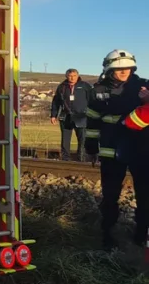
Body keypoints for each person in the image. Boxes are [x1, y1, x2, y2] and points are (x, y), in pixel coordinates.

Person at [85, 49, 146, 248]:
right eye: (119, 69)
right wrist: (91, 146)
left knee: (145, 195)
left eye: (127, 68)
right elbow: (92, 121)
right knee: (110, 195)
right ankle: (108, 234)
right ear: (109, 70)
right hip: (110, 150)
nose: (124, 71)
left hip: (141, 150)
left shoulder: (144, 86)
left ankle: (141, 236)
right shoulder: (97, 91)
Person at [119, 86, 149, 247]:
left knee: (144, 202)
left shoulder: (146, 109)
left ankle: (141, 239)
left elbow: (129, 122)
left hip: (144, 162)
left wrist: (145, 101)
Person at [50, 68, 93, 160]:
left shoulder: (85, 86)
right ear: (66, 76)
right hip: (66, 116)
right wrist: (53, 115)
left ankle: (82, 158)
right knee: (65, 139)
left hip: (82, 117)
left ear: (78, 76)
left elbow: (92, 100)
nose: (72, 78)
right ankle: (65, 159)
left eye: (74, 76)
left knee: (82, 139)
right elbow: (56, 102)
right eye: (70, 76)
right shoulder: (62, 87)